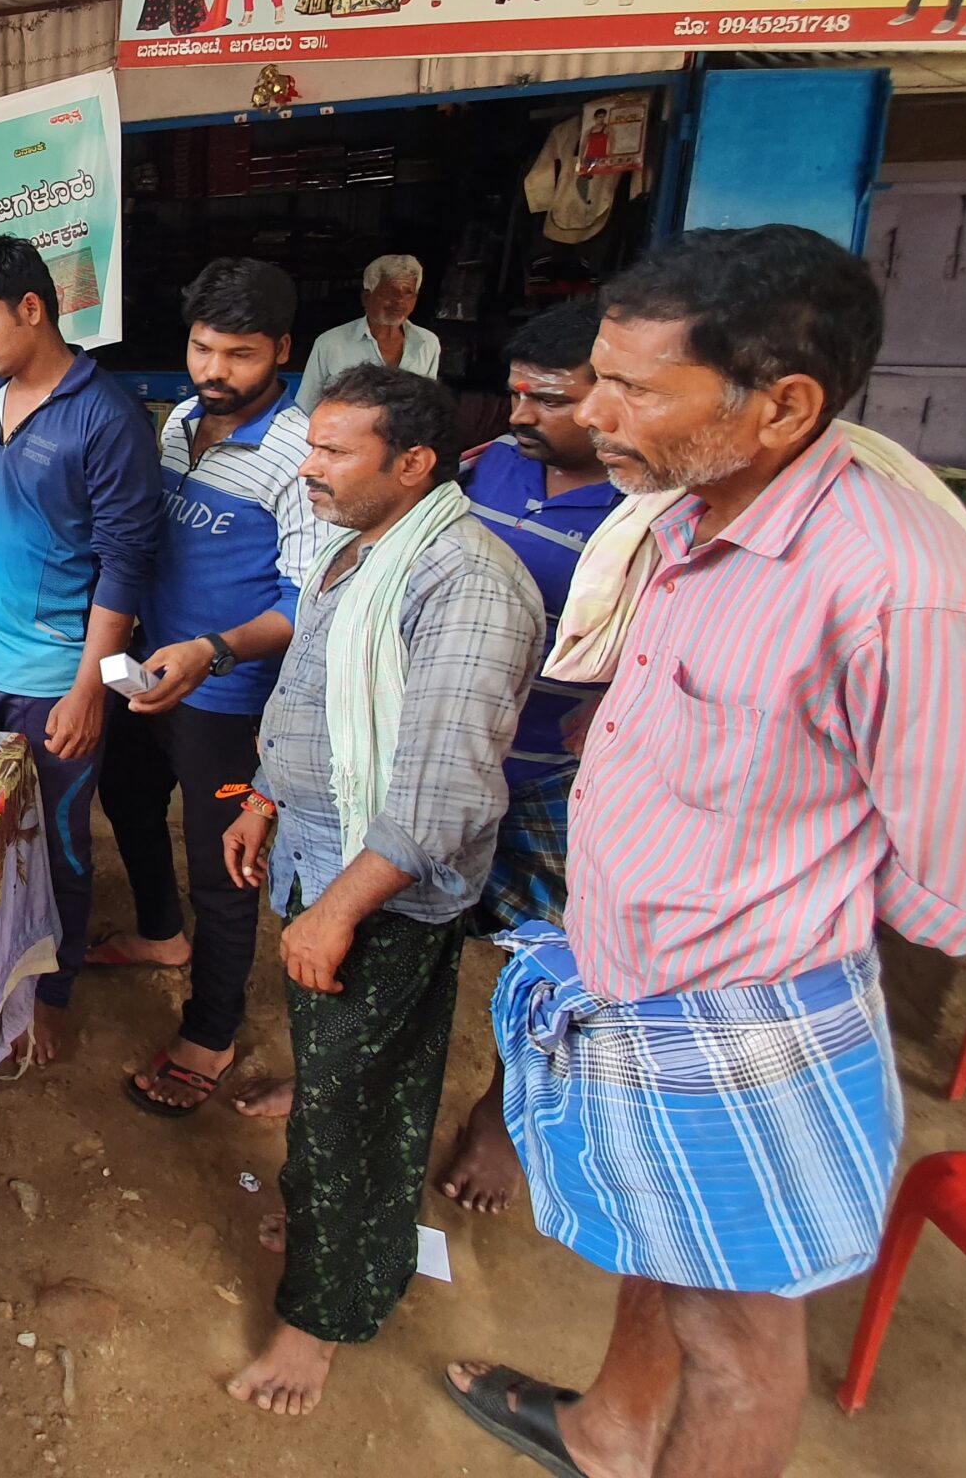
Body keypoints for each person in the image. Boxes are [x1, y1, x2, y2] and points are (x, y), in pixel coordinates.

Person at [447, 226, 966, 1478]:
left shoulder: (897, 589)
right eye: (597, 379)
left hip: (740, 1004)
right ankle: (612, 1431)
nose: (592, 413)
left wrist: (774, 896)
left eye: (632, 389)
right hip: (638, 968)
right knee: (669, 1251)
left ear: (782, 406)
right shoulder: (693, 510)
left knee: (735, 1345)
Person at [222, 365, 543, 1418]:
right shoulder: (359, 548)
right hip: (322, 857)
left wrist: (338, 909)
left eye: (332, 452)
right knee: (338, 1087)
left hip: (379, 894)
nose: (307, 469)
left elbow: (443, 794)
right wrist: (263, 799)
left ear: (412, 463)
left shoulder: (468, 584)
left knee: (356, 1107)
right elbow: (307, 694)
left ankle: (323, 1317)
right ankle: (340, 1232)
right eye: (310, 447)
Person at [95, 259, 320, 1115]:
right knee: (126, 797)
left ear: (283, 350)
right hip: (149, 671)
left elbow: (307, 601)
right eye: (201, 348)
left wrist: (213, 652)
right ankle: (161, 934)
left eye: (239, 354)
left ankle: (213, 1032)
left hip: (228, 699)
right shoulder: (181, 421)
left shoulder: (301, 455)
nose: (214, 371)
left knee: (224, 868)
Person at [0, 235, 159, 1065]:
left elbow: (126, 562)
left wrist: (89, 689)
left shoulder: (106, 417)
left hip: (50, 680)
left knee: (57, 840)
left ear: (32, 308)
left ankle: (52, 992)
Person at [434, 298, 622, 1216]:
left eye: (549, 399)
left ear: (609, 396)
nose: (520, 415)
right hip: (452, 746)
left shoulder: (648, 510)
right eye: (515, 394)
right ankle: (375, 1083)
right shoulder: (490, 466)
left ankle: (500, 1116)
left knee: (549, 958)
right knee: (414, 924)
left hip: (558, 775)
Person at [293, 254, 439, 406]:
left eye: (408, 292)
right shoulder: (330, 343)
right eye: (390, 291)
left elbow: (428, 406)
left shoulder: (427, 343)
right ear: (366, 297)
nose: (399, 300)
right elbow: (305, 405)